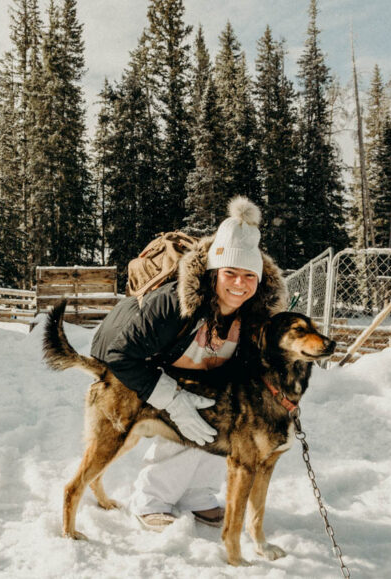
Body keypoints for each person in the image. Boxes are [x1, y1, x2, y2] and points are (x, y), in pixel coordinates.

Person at [90, 196, 287, 531]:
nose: (240, 284)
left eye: (249, 276)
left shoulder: (257, 312)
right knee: (186, 421)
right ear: (214, 273)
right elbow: (120, 353)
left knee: (223, 418)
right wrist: (171, 398)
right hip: (144, 365)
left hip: (203, 371)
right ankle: (151, 500)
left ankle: (197, 495)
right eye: (231, 273)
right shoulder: (172, 303)